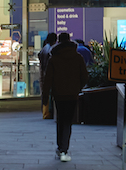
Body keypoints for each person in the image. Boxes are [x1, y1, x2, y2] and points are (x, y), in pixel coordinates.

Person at [45, 32, 88, 162]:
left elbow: (48, 79)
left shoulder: (53, 58)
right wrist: (78, 88)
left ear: (59, 41)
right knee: (68, 122)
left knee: (61, 120)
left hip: (58, 95)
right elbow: (84, 76)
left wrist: (46, 96)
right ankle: (64, 149)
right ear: (69, 40)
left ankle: (60, 147)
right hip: (72, 95)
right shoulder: (78, 57)